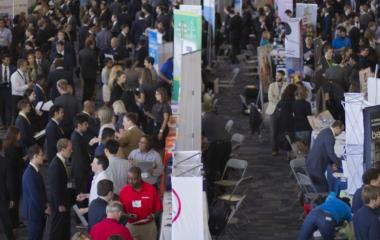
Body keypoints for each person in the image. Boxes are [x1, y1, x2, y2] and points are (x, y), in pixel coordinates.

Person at [119, 167, 162, 240]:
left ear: (140, 177)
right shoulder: (123, 191)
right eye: (129, 178)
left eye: (134, 179)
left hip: (148, 227)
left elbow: (159, 209)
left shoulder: (150, 189)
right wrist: (127, 215)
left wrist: (153, 215)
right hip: (131, 226)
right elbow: (120, 211)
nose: (131, 181)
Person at [306, 120, 344, 192]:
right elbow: (330, 153)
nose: (341, 133)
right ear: (337, 128)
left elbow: (326, 152)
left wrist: (332, 163)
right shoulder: (330, 137)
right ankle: (322, 201)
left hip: (312, 162)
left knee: (322, 186)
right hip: (316, 165)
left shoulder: (325, 131)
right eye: (341, 130)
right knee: (324, 188)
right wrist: (340, 164)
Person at [22, 145, 49, 240]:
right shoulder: (30, 174)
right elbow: (35, 196)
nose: (44, 157)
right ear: (34, 156)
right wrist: (45, 208)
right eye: (41, 155)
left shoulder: (34, 170)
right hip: (34, 214)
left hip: (36, 212)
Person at [48, 138, 73, 240]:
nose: (72, 150)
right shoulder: (55, 165)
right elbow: (55, 187)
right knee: (57, 229)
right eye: (70, 148)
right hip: (59, 204)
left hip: (63, 200)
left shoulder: (61, 161)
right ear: (62, 149)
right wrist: (59, 204)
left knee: (63, 227)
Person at [265, 70, 289, 156]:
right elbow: (270, 98)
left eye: (278, 75)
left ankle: (286, 149)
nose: (277, 77)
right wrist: (280, 100)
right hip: (273, 110)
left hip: (283, 111)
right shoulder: (272, 85)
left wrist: (278, 98)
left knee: (284, 130)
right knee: (273, 131)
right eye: (276, 75)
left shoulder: (287, 86)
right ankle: (274, 149)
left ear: (283, 76)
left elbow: (287, 98)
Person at [71, 113, 92, 194]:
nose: (87, 126)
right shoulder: (76, 138)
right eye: (85, 124)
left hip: (82, 171)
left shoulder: (79, 135)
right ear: (79, 125)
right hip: (81, 172)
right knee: (82, 193)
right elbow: (79, 158)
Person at [0, 139, 15, 240]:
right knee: (6, 222)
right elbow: (10, 183)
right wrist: (12, 198)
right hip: (3, 197)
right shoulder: (5, 162)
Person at [0, 54, 16, 129]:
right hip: (1, 89)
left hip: (10, 89)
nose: (8, 61)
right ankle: (3, 124)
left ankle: (9, 124)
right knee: (2, 107)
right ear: (2, 60)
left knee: (9, 107)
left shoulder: (13, 68)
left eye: (9, 60)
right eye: (7, 60)